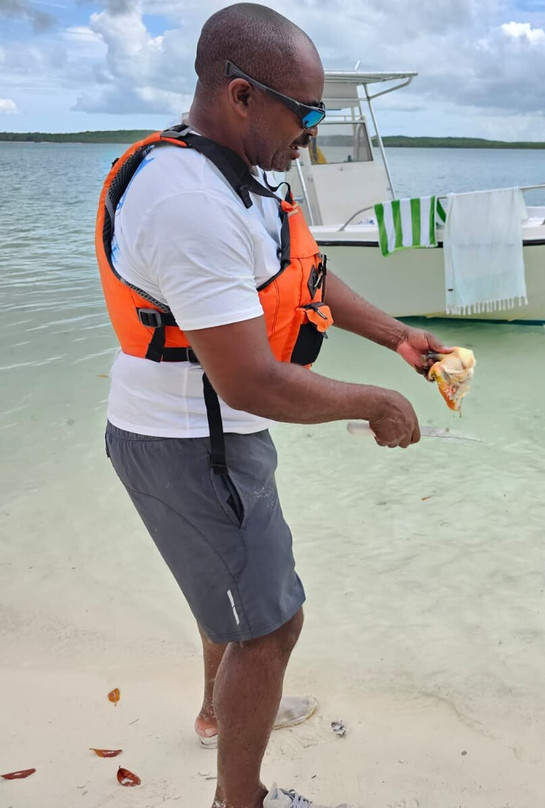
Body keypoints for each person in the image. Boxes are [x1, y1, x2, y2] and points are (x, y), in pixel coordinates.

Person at [94, 5, 447, 807]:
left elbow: (304, 274)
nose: (314, 135)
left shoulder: (234, 169)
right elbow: (248, 380)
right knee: (272, 626)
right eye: (308, 113)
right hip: (191, 445)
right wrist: (376, 403)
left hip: (206, 440)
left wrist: (394, 336)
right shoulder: (187, 202)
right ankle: (240, 797)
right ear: (242, 95)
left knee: (232, 601)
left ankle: (220, 715)